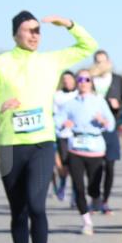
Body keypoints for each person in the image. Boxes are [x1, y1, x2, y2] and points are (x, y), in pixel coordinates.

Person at [0, 11, 98, 243]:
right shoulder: (0, 64)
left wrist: (69, 25)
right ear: (15, 34)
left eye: (38, 30)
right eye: (28, 30)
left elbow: (88, 46)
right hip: (11, 147)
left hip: (42, 144)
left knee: (37, 206)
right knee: (19, 211)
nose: (35, 35)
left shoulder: (50, 61)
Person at [54, 70, 116, 235]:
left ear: (91, 82)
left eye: (86, 79)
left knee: (93, 187)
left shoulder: (99, 101)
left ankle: (96, 198)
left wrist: (103, 121)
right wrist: (63, 124)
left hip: (95, 148)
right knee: (78, 187)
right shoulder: (70, 103)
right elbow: (58, 120)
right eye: (80, 79)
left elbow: (111, 124)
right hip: (76, 148)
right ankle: (86, 222)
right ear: (76, 82)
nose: (83, 82)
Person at [89, 50, 122, 214]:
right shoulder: (90, 80)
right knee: (94, 167)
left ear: (109, 62)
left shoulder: (117, 80)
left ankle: (105, 200)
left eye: (103, 61)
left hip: (111, 127)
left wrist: (118, 105)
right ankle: (95, 198)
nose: (101, 65)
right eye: (97, 62)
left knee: (110, 166)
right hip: (93, 128)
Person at [52, 70, 78, 202]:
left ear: (74, 80)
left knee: (75, 166)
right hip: (62, 135)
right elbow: (54, 114)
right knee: (63, 166)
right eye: (64, 79)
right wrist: (61, 123)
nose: (67, 81)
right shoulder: (57, 96)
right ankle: (62, 183)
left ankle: (75, 193)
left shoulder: (78, 95)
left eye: (69, 79)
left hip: (76, 135)